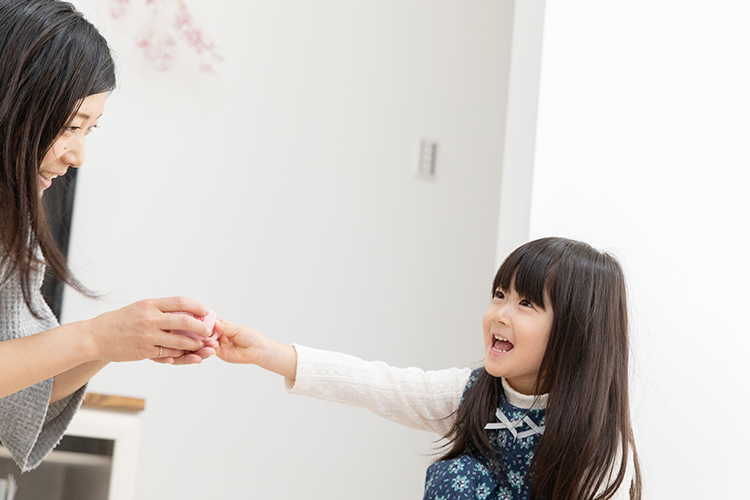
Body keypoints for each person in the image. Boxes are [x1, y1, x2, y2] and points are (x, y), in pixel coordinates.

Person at [213, 237, 643, 499]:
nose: (501, 314)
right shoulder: (472, 395)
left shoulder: (599, 442)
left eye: (527, 303)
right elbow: (377, 383)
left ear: (576, 331)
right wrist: (266, 353)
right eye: (499, 294)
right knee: (462, 474)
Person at [0, 0, 216, 471]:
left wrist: (124, 341)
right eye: (69, 127)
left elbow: (18, 386)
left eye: (89, 131)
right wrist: (98, 337)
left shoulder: (16, 223)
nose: (78, 155)